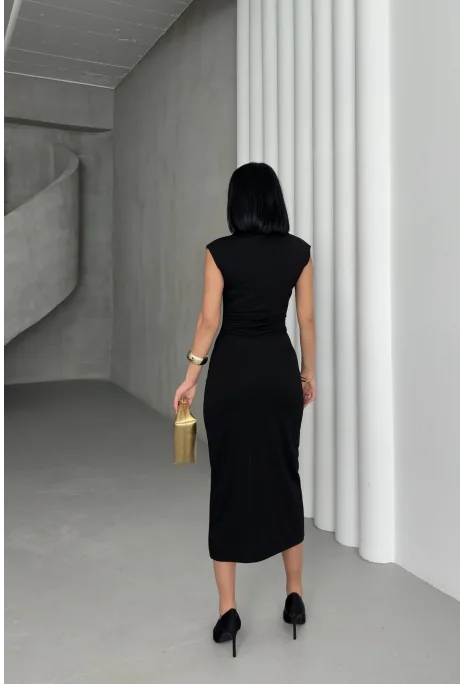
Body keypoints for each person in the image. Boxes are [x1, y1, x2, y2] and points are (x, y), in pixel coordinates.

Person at [173, 162, 316, 657]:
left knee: (228, 482)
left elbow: (208, 321)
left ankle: (228, 610)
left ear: (237, 203)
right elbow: (306, 321)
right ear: (275, 200)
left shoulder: (219, 252)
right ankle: (294, 596)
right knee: (285, 475)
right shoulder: (298, 251)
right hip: (278, 373)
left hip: (232, 376)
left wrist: (191, 375)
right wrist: (307, 374)